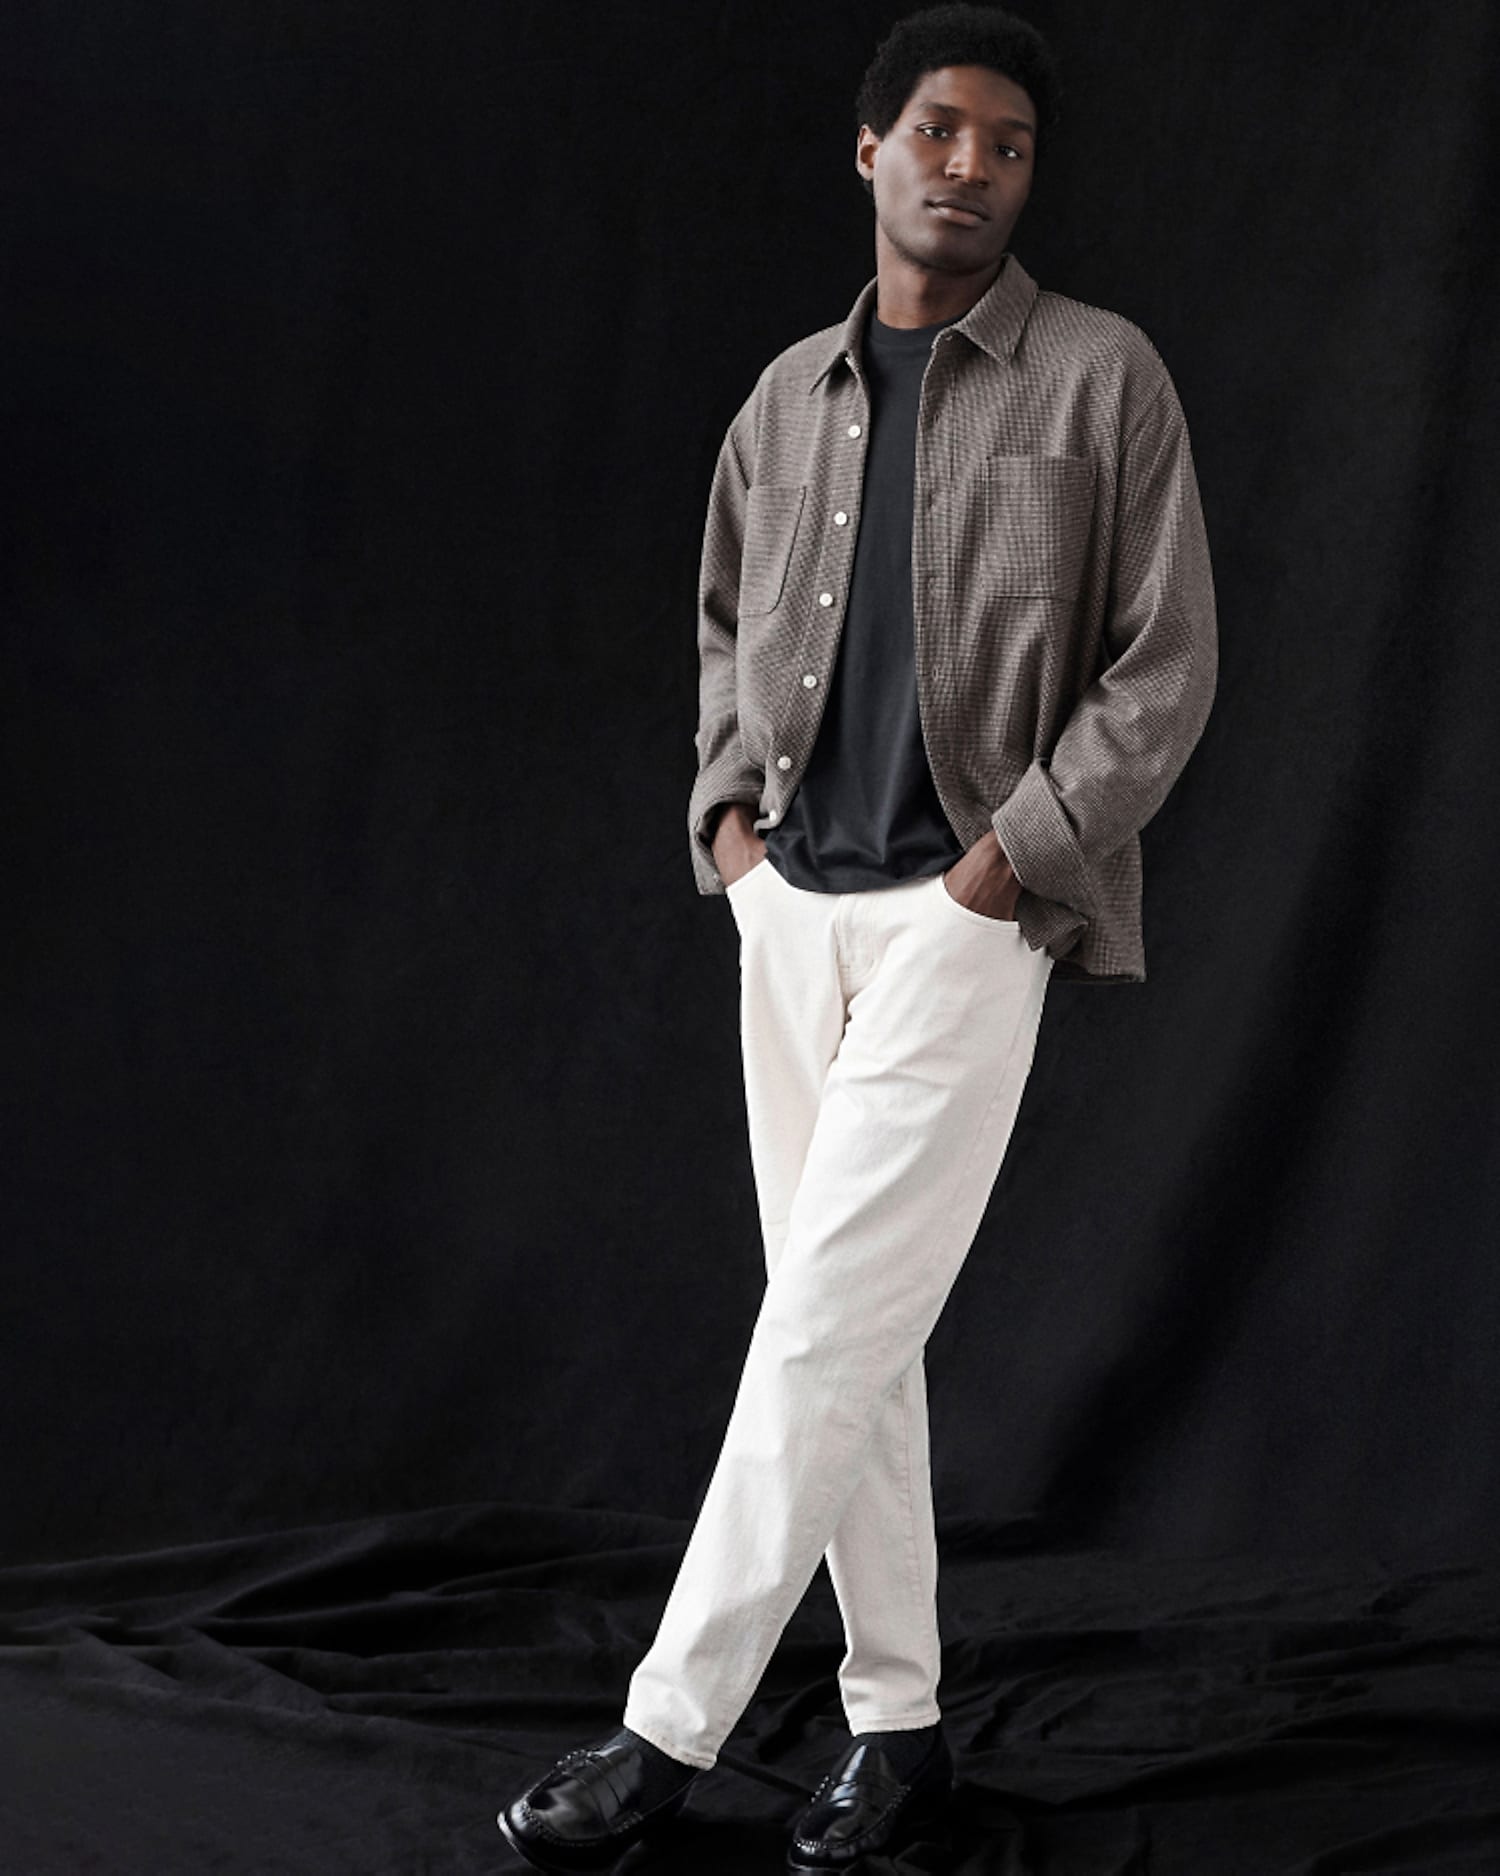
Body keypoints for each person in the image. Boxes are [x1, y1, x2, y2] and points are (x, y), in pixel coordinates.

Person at [497, 3, 1217, 1868]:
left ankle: (665, 1734)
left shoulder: (1099, 377)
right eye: (944, 133)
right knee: (858, 1333)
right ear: (875, 151)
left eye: (1010, 146)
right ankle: (897, 1736)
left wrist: (1009, 867)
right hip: (788, 908)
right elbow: (730, 625)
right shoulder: (779, 398)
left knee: (816, 1325)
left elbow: (1165, 669)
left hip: (968, 916)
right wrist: (728, 832)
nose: (973, 166)